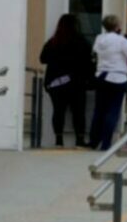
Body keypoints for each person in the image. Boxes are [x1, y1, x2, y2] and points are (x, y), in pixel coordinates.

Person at [89, 15, 127, 150]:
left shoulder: (99, 39)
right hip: (118, 78)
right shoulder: (121, 41)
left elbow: (95, 52)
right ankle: (106, 144)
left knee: (99, 110)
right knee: (112, 111)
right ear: (118, 27)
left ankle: (94, 141)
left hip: (101, 76)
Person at [39, 14, 92, 147]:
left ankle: (58, 140)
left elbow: (43, 59)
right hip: (76, 82)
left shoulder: (53, 42)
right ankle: (79, 140)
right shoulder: (82, 42)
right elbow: (88, 62)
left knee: (58, 111)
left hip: (56, 83)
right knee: (78, 112)